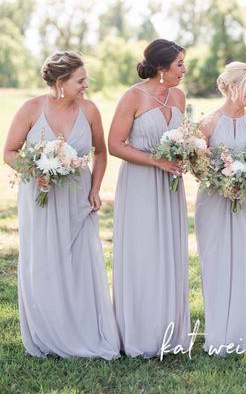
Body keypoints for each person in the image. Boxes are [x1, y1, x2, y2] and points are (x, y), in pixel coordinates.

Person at [3, 51, 120, 359]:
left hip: (79, 197)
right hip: (41, 198)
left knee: (80, 263)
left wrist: (95, 188)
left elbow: (101, 153)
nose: (86, 85)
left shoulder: (91, 110)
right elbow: (11, 152)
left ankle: (83, 329)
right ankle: (49, 330)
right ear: (60, 82)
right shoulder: (31, 109)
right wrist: (36, 170)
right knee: (45, 262)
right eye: (80, 80)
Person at [108, 39, 190, 357]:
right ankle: (140, 334)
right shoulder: (132, 97)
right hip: (141, 184)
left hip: (170, 186)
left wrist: (186, 155)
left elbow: (183, 136)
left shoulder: (179, 96)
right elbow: (115, 144)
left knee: (168, 252)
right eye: (180, 64)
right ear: (161, 68)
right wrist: (157, 161)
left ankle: (168, 332)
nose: (184, 69)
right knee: (143, 252)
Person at [194, 62, 246, 356]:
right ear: (234, 86)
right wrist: (221, 182)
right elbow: (198, 168)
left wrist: (244, 183)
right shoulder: (208, 124)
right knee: (215, 262)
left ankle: (241, 331)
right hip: (213, 202)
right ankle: (218, 333)